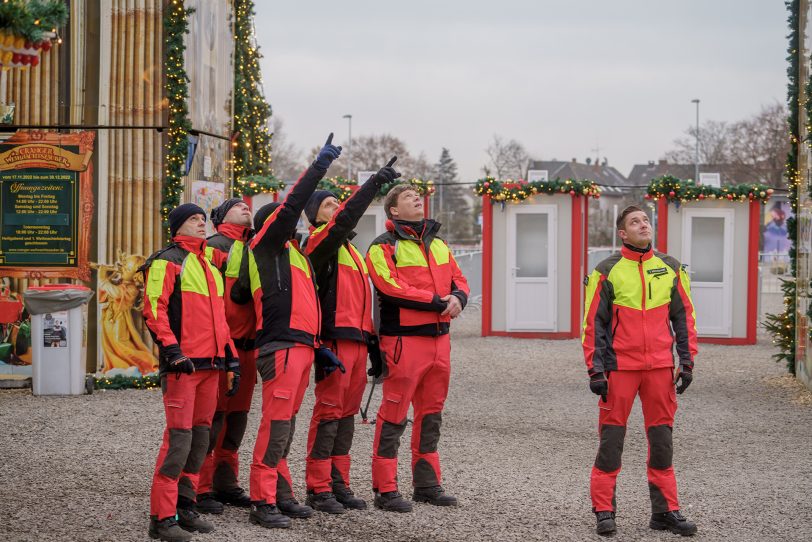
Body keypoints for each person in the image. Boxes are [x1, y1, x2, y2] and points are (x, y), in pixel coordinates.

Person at [581, 205, 698, 537]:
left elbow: (684, 319)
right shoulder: (606, 271)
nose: (643, 225)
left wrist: (686, 362)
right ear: (623, 233)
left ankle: (665, 512)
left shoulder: (671, 268)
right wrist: (595, 370)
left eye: (646, 220)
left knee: (662, 443)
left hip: (660, 369)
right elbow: (593, 324)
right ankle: (604, 511)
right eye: (635, 222)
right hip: (619, 370)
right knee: (611, 442)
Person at [246, 134, 343, 529]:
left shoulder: (297, 257)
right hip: (281, 348)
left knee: (287, 423)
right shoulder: (266, 247)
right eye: (284, 219)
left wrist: (317, 347)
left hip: (301, 348)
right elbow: (289, 207)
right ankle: (261, 500)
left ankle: (281, 494)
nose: (293, 223)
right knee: (276, 423)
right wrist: (318, 166)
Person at [302, 157, 400, 514]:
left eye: (336, 203)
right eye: (328, 204)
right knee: (328, 412)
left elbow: (362, 302)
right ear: (315, 216)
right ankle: (318, 486)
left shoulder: (352, 252)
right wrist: (373, 184)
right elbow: (346, 218)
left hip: (357, 341)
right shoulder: (318, 244)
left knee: (346, 415)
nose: (336, 209)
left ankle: (338, 482)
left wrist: (373, 346)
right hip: (333, 341)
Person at [365, 184, 470, 512]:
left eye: (417, 196)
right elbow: (391, 287)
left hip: (440, 341)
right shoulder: (382, 247)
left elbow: (460, 279)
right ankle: (385, 488)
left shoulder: (438, 243)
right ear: (393, 210)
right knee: (394, 413)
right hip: (403, 341)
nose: (417, 199)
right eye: (408, 197)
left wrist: (458, 299)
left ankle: (426, 485)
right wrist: (438, 302)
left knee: (431, 414)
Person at [141, 203, 240, 542]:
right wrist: (172, 351)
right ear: (178, 226)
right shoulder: (166, 261)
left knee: (200, 440)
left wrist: (231, 359)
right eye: (193, 220)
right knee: (179, 441)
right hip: (184, 366)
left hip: (211, 366)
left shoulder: (210, 266)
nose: (201, 224)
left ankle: (186, 505)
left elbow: (221, 322)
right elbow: (154, 309)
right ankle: (162, 518)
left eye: (202, 219)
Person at [195, 198, 257, 513]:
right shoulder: (213, 247)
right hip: (222, 348)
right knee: (213, 418)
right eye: (236, 206)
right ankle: (200, 488)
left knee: (237, 419)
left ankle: (225, 483)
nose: (245, 207)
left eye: (247, 205)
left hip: (250, 348)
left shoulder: (257, 245)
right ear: (220, 217)